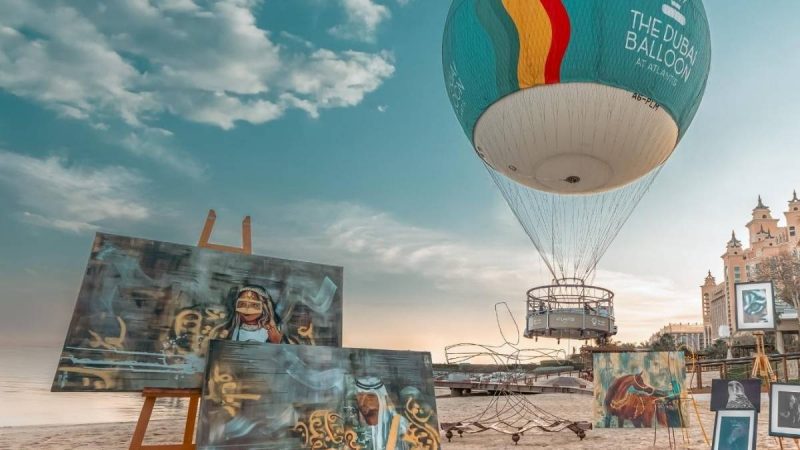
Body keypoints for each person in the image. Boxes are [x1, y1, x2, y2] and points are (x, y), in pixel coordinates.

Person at [355, 377, 409, 450]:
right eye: (360, 397)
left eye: (370, 399)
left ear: (381, 400)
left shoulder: (400, 425)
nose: (362, 403)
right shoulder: (352, 425)